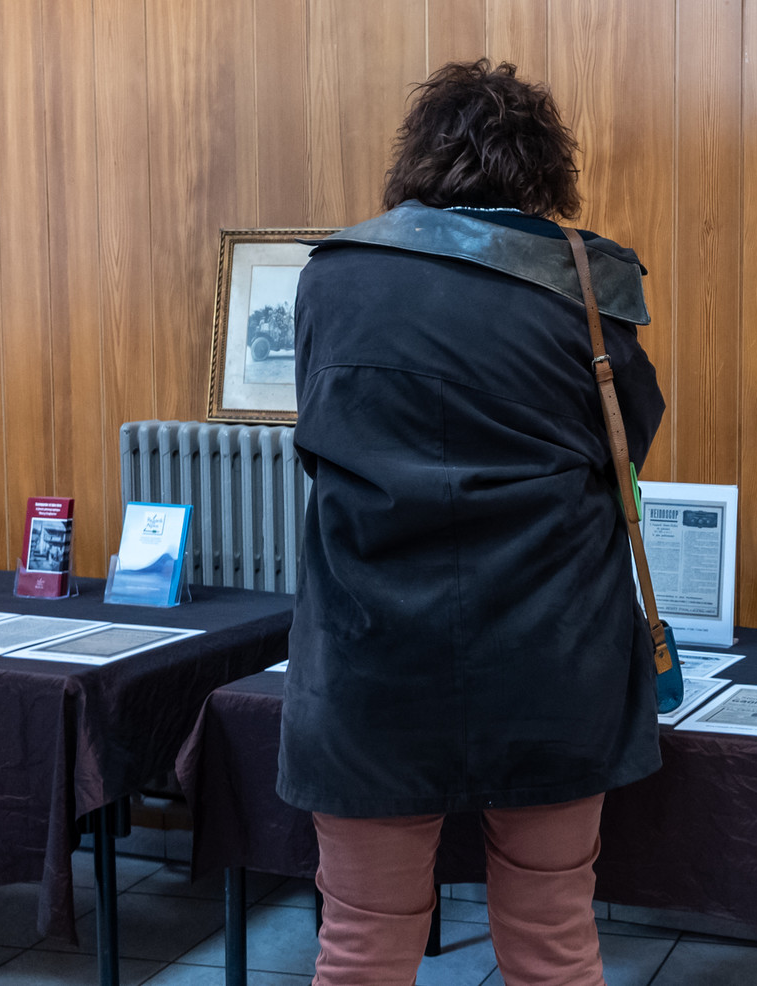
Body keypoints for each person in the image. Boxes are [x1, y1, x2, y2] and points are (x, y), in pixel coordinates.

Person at [278, 58, 665, 986]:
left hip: (370, 659)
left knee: (364, 941)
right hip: (552, 653)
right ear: (542, 168)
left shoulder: (333, 275)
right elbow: (629, 449)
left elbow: (321, 442)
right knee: (552, 940)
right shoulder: (583, 284)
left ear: (421, 158)